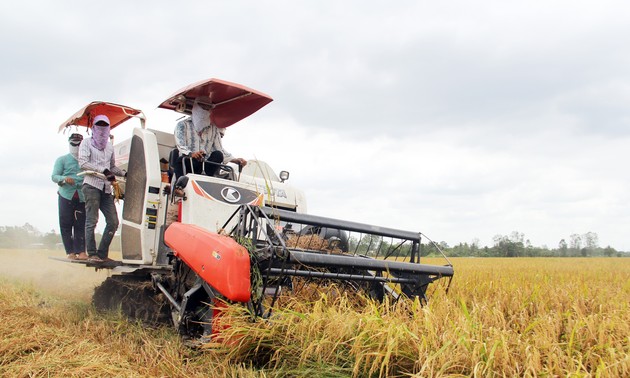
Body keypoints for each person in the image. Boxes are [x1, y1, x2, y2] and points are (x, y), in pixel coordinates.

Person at [78, 115, 126, 263]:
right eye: (99, 125)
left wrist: (124, 173)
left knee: (113, 221)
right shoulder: (86, 143)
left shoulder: (110, 147)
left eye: (105, 126)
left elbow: (111, 167)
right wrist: (103, 171)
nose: (102, 129)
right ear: (93, 128)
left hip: (106, 188)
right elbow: (83, 162)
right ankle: (92, 254)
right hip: (91, 185)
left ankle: (102, 254)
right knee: (92, 220)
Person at [173, 98, 247, 179]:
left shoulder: (214, 129)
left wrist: (235, 160)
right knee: (181, 159)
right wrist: (192, 154)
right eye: (202, 106)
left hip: (206, 165)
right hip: (189, 162)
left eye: (208, 107)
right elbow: (180, 145)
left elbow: (219, 149)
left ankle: (205, 180)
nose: (205, 110)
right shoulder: (182, 125)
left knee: (218, 154)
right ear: (195, 107)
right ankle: (179, 187)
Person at [51, 133, 87, 260]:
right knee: (66, 223)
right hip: (66, 195)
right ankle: (70, 252)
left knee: (81, 223)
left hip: (82, 196)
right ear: (69, 143)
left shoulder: (86, 160)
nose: (76, 146)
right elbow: (54, 176)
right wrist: (65, 179)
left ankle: (82, 251)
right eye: (73, 143)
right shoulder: (62, 160)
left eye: (79, 143)